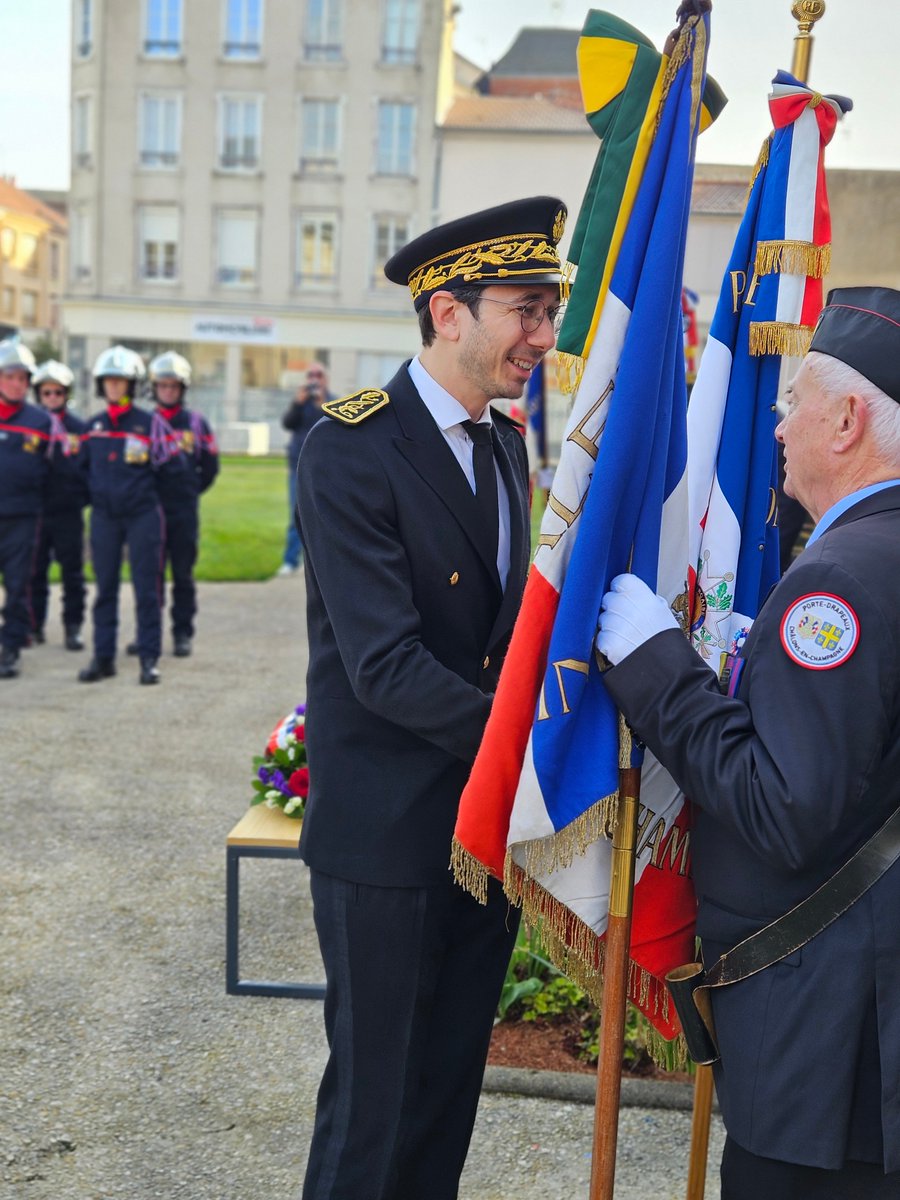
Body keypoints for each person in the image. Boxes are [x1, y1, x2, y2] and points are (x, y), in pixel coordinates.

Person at [596, 286, 900, 1198]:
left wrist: (658, 668)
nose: (776, 424)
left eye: (792, 401)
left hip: (828, 1039)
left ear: (845, 421)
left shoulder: (839, 582)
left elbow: (785, 809)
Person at [296, 195, 567, 1200]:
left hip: (479, 829)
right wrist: (537, 744)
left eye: (548, 312)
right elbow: (385, 665)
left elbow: (501, 634)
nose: (543, 336)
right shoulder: (350, 446)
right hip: (388, 838)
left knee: (446, 1098)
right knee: (373, 1113)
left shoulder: (504, 441)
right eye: (525, 311)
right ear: (447, 312)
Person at [79, 345, 164, 686]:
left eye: (121, 380)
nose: (114, 386)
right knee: (105, 589)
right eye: (108, 380)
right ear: (101, 385)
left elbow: (170, 471)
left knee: (146, 589)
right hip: (104, 518)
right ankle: (103, 658)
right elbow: (80, 472)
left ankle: (149, 658)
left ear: (133, 384)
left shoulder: (150, 424)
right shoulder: (93, 427)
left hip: (142, 515)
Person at [129, 351, 219, 658]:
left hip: (183, 511)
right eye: (162, 385)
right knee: (149, 576)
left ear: (183, 388)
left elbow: (210, 467)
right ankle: (147, 633)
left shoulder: (196, 423)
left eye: (174, 386)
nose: (168, 391)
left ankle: (182, 633)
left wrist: (189, 490)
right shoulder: (142, 423)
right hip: (149, 511)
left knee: (182, 574)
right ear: (154, 388)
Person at [30, 359, 90, 651]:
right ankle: (34, 625)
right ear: (38, 394)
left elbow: (90, 470)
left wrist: (79, 498)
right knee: (34, 571)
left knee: (72, 573)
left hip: (68, 512)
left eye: (58, 392)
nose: (52, 397)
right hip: (36, 511)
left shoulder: (79, 428)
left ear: (66, 394)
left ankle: (73, 627)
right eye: (46, 392)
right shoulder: (30, 425)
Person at [0, 340, 50, 679]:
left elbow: (55, 470)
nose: (16, 384)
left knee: (18, 585)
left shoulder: (40, 421)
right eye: (10, 377)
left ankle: (11, 648)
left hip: (22, 517)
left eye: (22, 379)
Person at [274, 364, 331, 577]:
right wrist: (298, 403)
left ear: (326, 379)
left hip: (325, 469)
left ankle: (324, 565)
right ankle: (291, 560)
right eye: (311, 375)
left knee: (326, 517)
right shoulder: (300, 402)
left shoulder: (332, 402)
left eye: (319, 375)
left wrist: (322, 404)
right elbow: (287, 423)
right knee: (296, 515)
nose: (315, 379)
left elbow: (337, 427)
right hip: (298, 467)